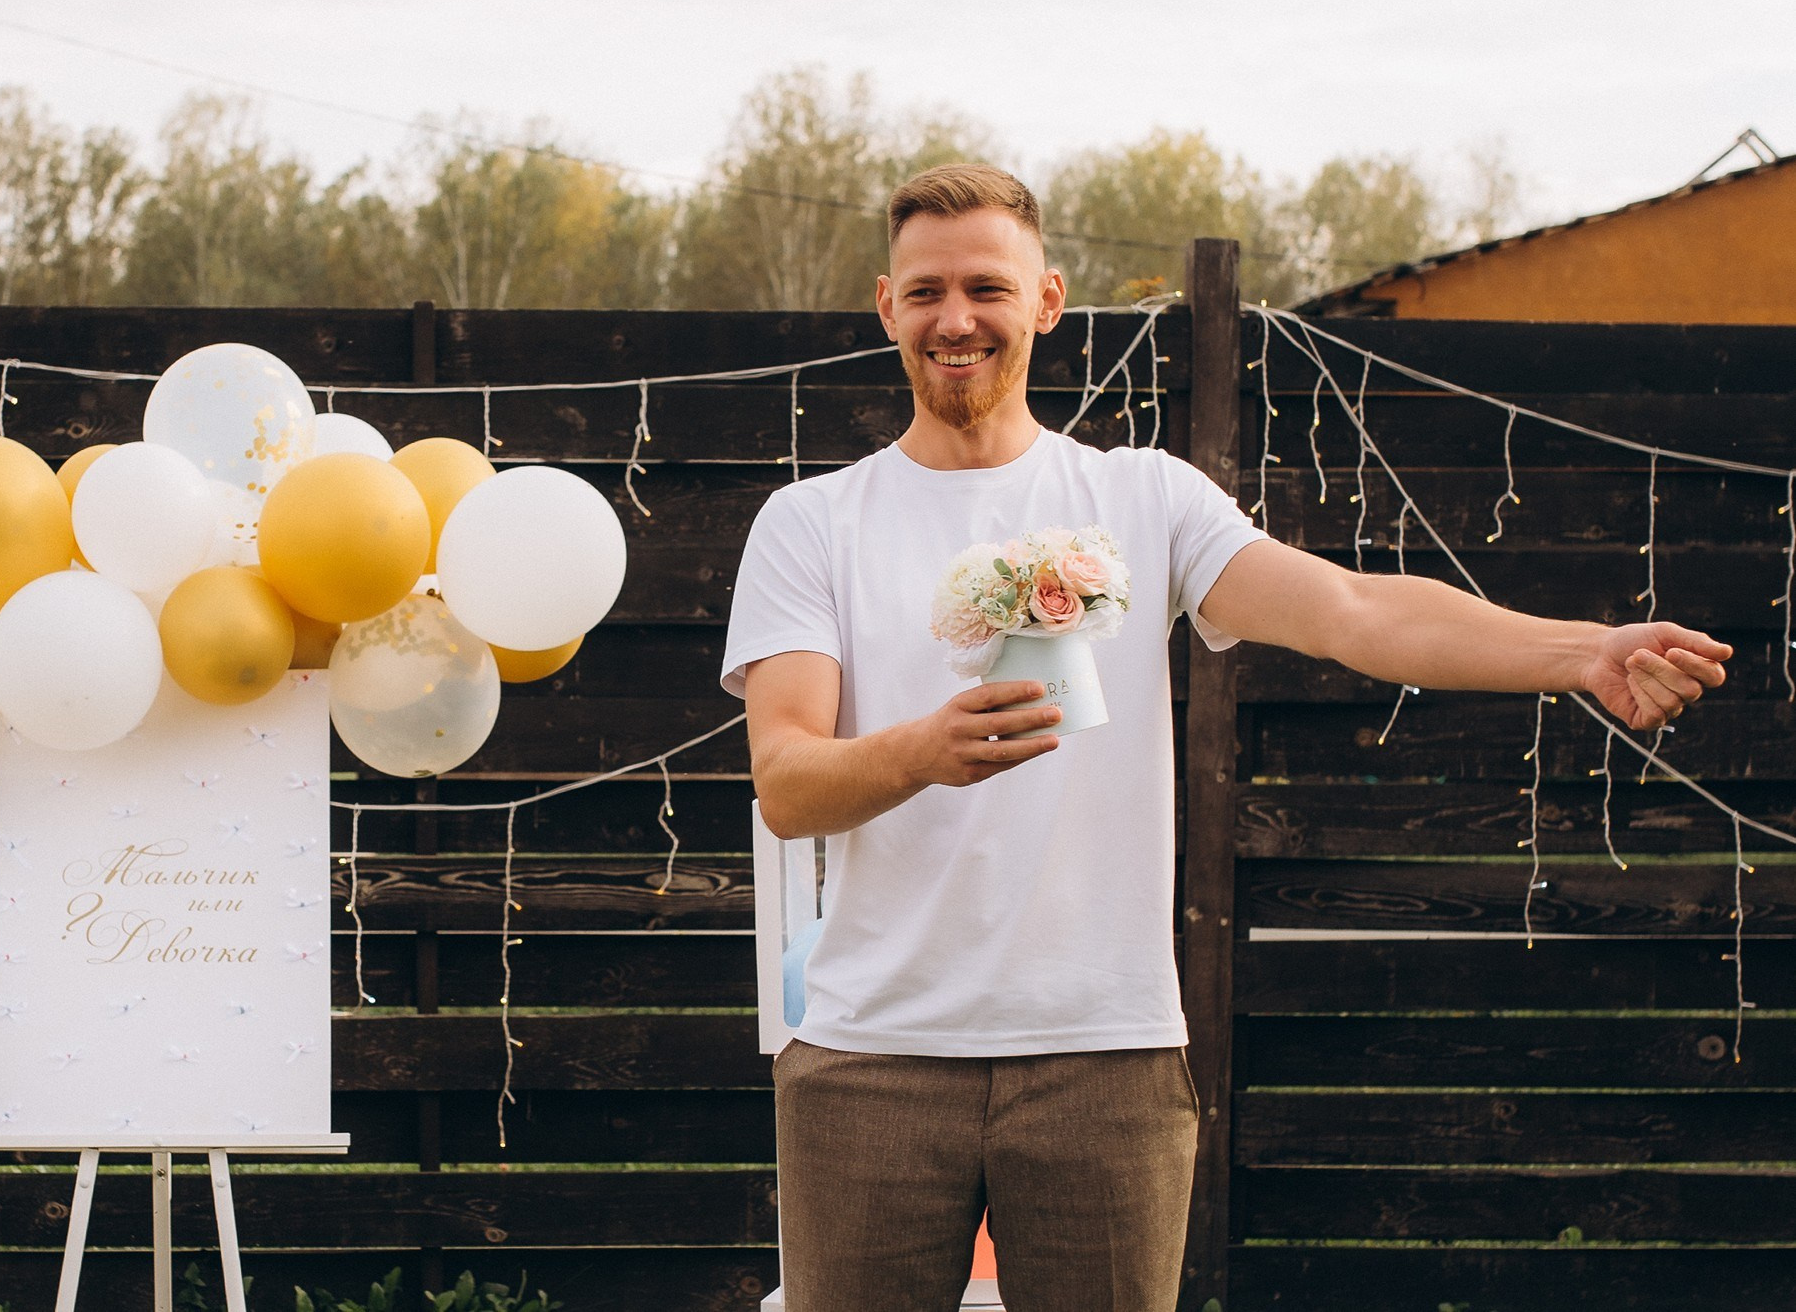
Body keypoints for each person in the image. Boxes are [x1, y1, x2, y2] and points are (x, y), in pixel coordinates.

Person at [718, 164, 1732, 1312]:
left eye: (986, 288)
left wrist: (1579, 651)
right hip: (869, 1059)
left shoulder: (1145, 499)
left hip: (1107, 1057)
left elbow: (1352, 611)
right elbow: (789, 782)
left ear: (1046, 301)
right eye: (927, 292)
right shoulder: (811, 522)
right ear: (886, 307)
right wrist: (923, 751)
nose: (957, 319)